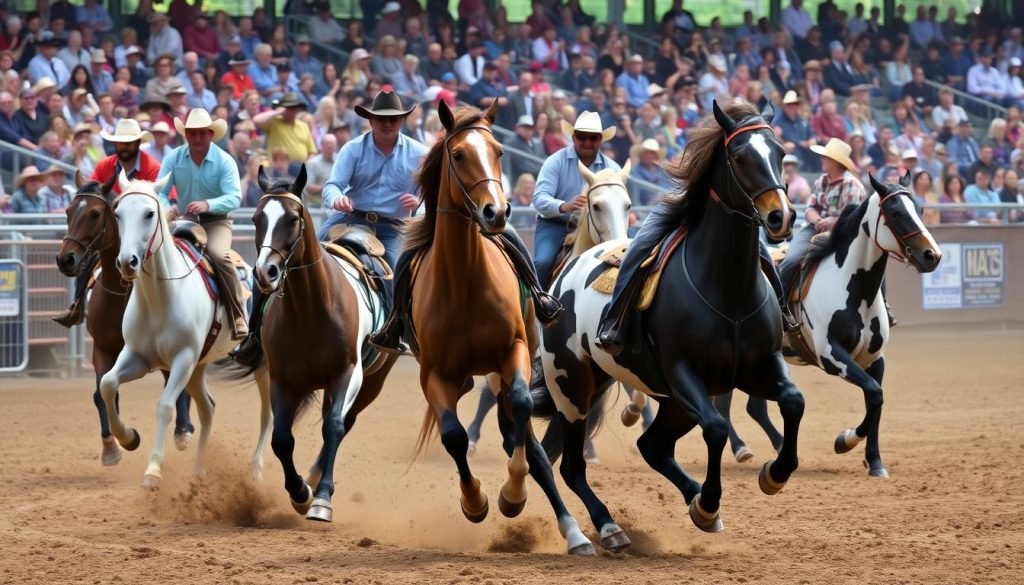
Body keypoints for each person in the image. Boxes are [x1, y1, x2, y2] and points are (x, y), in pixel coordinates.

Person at [364, 91, 561, 356]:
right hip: (441, 217)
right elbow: (431, 190)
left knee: (512, 237)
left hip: (483, 205)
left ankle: (538, 296)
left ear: (401, 121)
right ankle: (395, 322)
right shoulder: (434, 151)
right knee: (403, 258)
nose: (388, 124)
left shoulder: (419, 149)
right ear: (372, 121)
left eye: (393, 119)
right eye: (382, 119)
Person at [596, 137, 803, 356]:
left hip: (713, 212)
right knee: (640, 247)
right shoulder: (713, 147)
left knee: (760, 251)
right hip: (677, 203)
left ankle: (782, 312)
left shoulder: (738, 153)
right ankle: (614, 319)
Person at [54, 118, 161, 328]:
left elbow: (161, 200)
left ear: (138, 143)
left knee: (160, 261)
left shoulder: (152, 167)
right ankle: (77, 305)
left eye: (129, 142)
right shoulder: (106, 165)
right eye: (121, 142)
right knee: (90, 259)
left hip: (141, 231)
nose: (125, 146)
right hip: (111, 231)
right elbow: (92, 193)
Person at [155, 108, 248, 340]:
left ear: (210, 134)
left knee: (218, 255)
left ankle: (238, 314)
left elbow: (235, 197)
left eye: (201, 134)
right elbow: (160, 191)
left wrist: (208, 204)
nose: (197, 139)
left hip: (216, 221)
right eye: (192, 134)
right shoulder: (173, 158)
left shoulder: (225, 161)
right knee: (155, 252)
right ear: (186, 134)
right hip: (184, 220)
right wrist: (166, 207)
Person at [532, 111, 620, 288]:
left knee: (630, 260)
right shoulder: (555, 161)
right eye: (582, 137)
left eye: (593, 138)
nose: (587, 142)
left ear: (600, 140)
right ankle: (535, 307)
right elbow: (539, 199)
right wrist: (564, 206)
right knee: (543, 262)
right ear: (573, 137)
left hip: (599, 229)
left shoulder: (613, 168)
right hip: (556, 225)